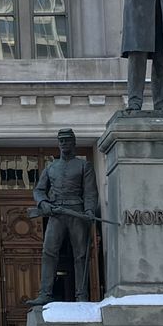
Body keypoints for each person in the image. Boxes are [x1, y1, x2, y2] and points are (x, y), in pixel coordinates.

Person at [24, 129, 99, 305]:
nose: (64, 143)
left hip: (76, 212)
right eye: (61, 141)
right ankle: (45, 294)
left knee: (80, 255)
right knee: (48, 252)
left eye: (67, 140)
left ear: (74, 143)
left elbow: (90, 192)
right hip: (56, 213)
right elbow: (39, 190)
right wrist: (43, 203)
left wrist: (89, 211)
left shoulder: (83, 166)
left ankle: (81, 295)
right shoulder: (51, 167)